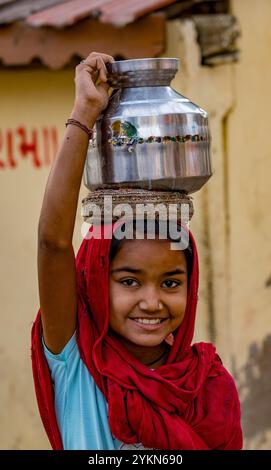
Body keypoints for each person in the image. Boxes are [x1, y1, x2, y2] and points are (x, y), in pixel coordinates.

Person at [31, 52, 243, 450]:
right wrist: (83, 114)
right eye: (129, 280)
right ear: (95, 283)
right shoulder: (78, 364)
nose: (152, 301)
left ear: (191, 287)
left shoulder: (207, 385)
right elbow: (53, 244)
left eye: (171, 282)